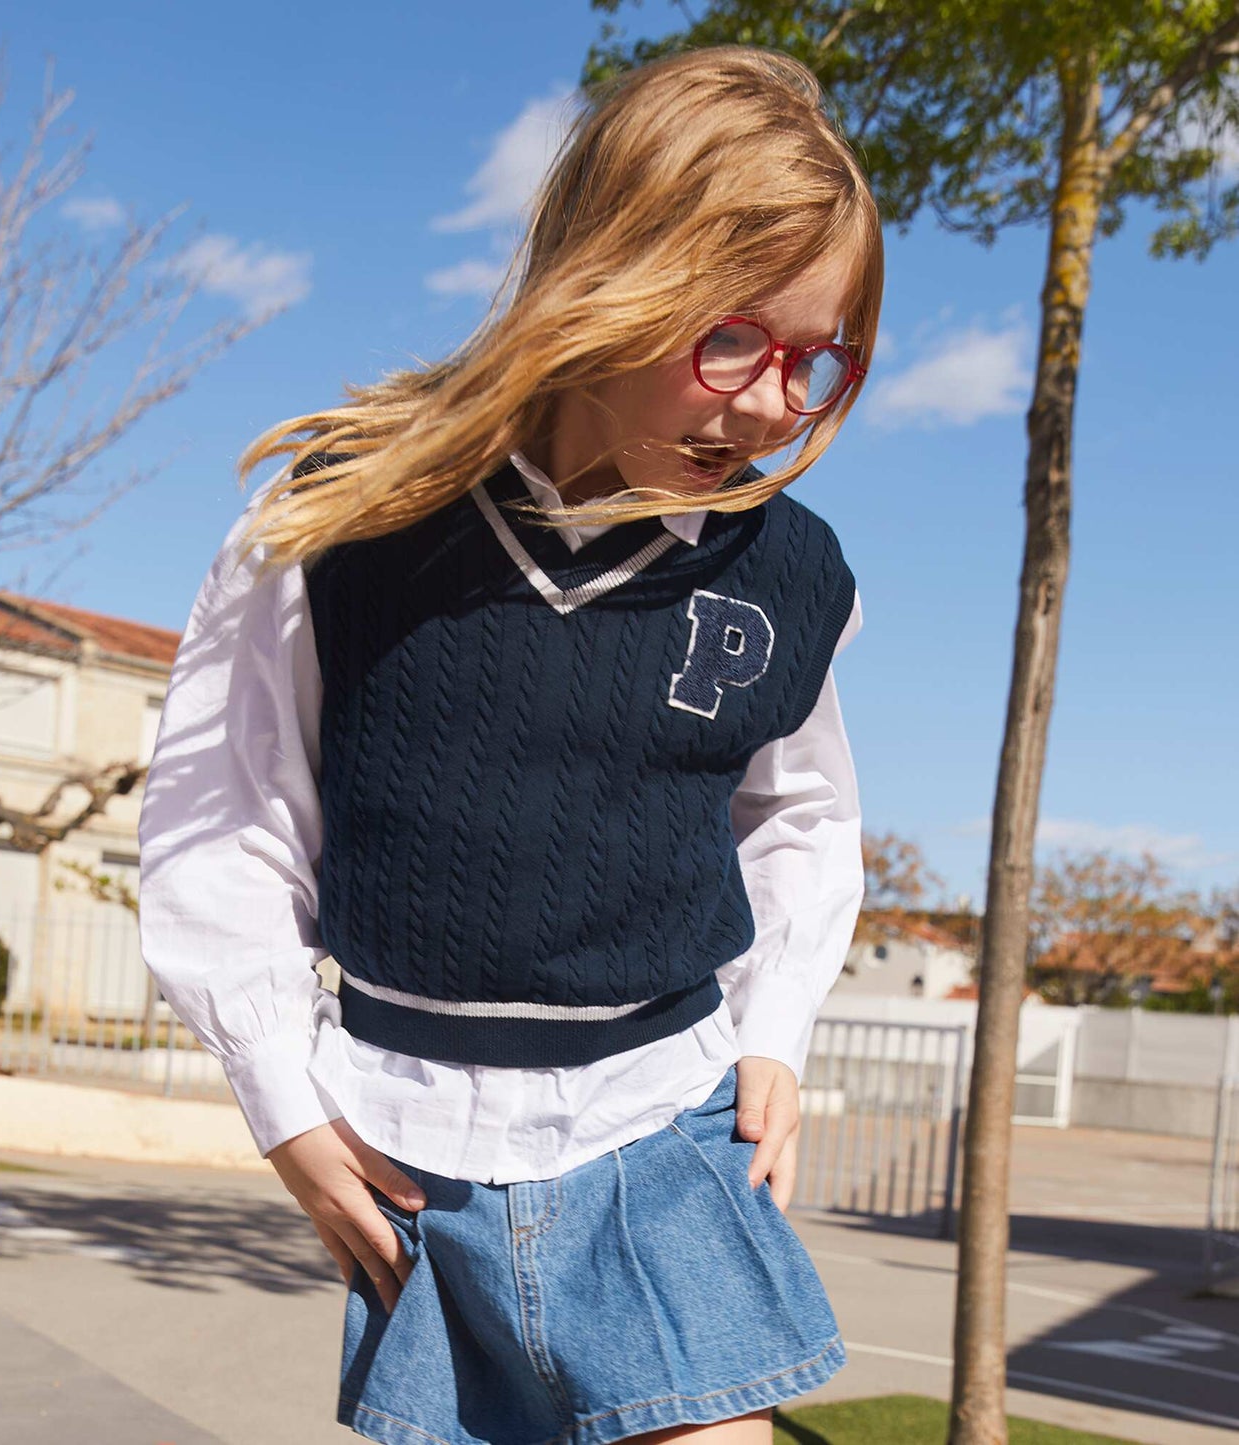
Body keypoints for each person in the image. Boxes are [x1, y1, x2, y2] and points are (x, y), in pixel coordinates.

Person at [139, 43, 881, 1445]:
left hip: (666, 1116)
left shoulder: (788, 578)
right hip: (407, 1137)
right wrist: (285, 1105)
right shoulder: (349, 519)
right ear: (612, 278)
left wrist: (773, 1028)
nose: (781, 401)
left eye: (819, 358)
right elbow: (223, 826)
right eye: (735, 340)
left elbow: (799, 813)